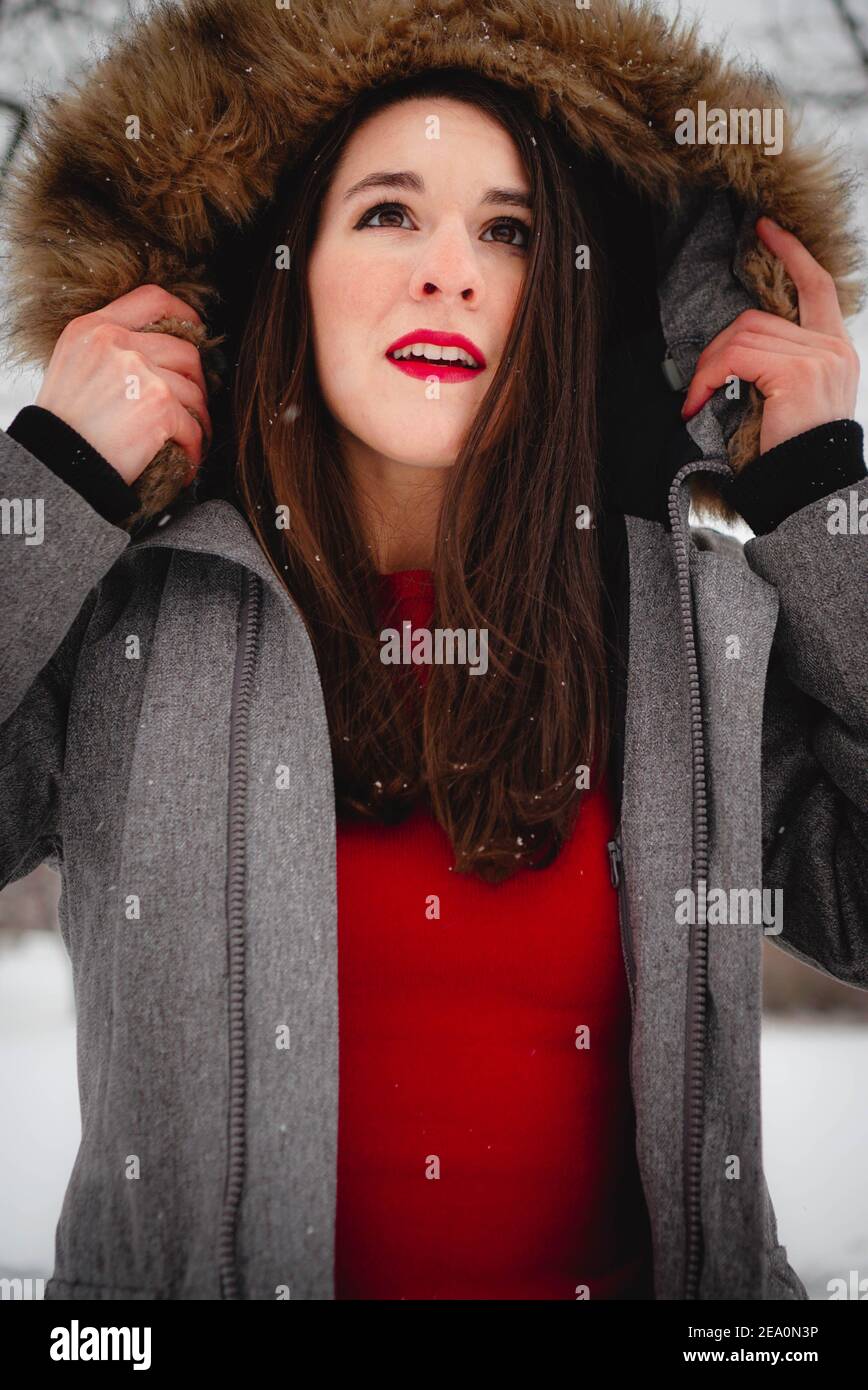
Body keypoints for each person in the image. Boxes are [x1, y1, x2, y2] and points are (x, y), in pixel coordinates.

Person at [0, 0, 865, 1302]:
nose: (450, 270)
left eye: (507, 230)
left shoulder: (685, 626)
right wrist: (49, 487)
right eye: (390, 211)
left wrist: (822, 504)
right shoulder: (135, 613)